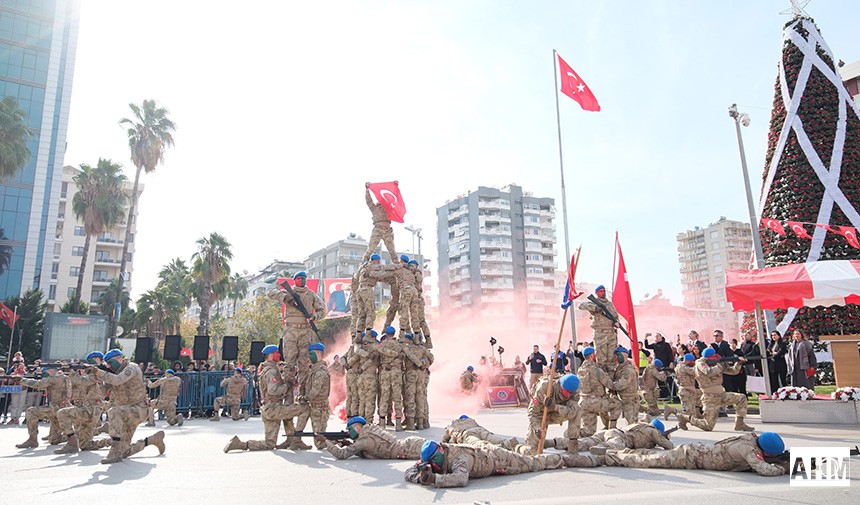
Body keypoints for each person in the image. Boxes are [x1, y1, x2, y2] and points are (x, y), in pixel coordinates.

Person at [223, 344, 311, 453]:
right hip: (274, 409)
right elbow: (273, 390)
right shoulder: (271, 371)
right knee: (305, 408)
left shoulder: (267, 370)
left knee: (269, 444)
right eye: (276, 353)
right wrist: (287, 385)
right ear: (270, 355)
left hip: (268, 409)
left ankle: (241, 444)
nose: (279, 354)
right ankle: (296, 439)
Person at [404, 439, 598, 488]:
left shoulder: (458, 458)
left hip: (500, 460)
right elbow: (409, 471)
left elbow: (461, 479)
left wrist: (435, 479)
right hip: (485, 451)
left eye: (432, 462)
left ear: (439, 454)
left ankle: (580, 459)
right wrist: (421, 477)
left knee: (537, 463)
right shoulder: (435, 455)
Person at [94, 349, 165, 464]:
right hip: (125, 411)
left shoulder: (131, 368)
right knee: (125, 451)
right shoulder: (114, 373)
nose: (109, 366)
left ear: (120, 359)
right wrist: (97, 378)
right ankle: (152, 440)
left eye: (111, 362)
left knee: (114, 411)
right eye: (107, 364)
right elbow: (103, 392)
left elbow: (117, 380)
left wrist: (100, 372)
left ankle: (114, 450)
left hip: (138, 409)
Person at [604, 432, 787, 476]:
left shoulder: (751, 440)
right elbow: (764, 469)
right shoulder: (748, 449)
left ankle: (618, 452)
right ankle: (611, 456)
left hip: (695, 452)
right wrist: (782, 468)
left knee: (649, 455)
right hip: (690, 456)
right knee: (648, 460)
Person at [267, 271, 325, 390]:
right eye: (298, 278)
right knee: (289, 362)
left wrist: (314, 317)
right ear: (294, 280)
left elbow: (322, 310)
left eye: (303, 278)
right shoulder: (289, 292)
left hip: (305, 331)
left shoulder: (311, 295)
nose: (301, 280)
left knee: (304, 363)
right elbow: (271, 293)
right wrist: (285, 297)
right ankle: (288, 394)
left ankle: (302, 393)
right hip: (291, 330)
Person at [678, 348, 753, 432]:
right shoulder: (700, 363)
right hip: (710, 397)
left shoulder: (717, 364)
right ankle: (685, 418)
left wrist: (738, 363)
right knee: (708, 426)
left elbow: (733, 372)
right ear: (710, 357)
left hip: (721, 394)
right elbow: (709, 372)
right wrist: (720, 365)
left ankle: (740, 423)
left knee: (741, 398)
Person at [317, 415, 425, 460]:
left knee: (438, 453)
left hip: (409, 449)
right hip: (409, 443)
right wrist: (348, 443)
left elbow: (341, 455)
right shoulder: (369, 429)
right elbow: (366, 450)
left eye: (350, 430)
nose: (348, 432)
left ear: (358, 429)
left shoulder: (364, 440)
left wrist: (325, 441)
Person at [15, 365, 71, 449]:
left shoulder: (55, 378)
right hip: (62, 409)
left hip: (56, 410)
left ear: (51, 370)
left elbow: (38, 384)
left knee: (31, 411)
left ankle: (32, 439)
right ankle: (69, 436)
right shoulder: (64, 377)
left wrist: (22, 380)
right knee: (54, 440)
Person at [525, 373, 581, 453]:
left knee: (578, 410)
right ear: (561, 385)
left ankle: (572, 447)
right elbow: (533, 412)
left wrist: (555, 407)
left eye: (570, 393)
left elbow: (572, 411)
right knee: (533, 451)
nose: (568, 395)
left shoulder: (574, 391)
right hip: (541, 415)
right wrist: (538, 429)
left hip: (558, 413)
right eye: (567, 392)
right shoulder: (545, 388)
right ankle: (515, 446)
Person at [578, 419, 673, 461]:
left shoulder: (642, 425)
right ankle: (601, 448)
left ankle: (567, 443)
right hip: (620, 437)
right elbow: (669, 446)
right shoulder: (653, 431)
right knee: (616, 446)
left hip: (613, 431)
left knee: (587, 441)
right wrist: (667, 438)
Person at [576, 346, 619, 436]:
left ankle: (574, 432)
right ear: (592, 355)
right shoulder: (596, 370)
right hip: (597, 402)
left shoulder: (580, 370)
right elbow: (609, 384)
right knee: (617, 404)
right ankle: (612, 430)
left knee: (589, 431)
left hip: (583, 403)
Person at [296, 343, 331, 449]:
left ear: (319, 354)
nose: (309, 357)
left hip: (320, 406)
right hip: (314, 405)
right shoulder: (314, 369)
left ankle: (334, 443)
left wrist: (304, 398)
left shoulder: (320, 371)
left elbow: (314, 391)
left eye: (311, 354)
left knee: (319, 438)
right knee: (317, 434)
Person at [578, 285, 620, 366]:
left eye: (604, 291)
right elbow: (581, 306)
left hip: (611, 333)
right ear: (596, 293)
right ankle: (602, 376)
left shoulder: (609, 304)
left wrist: (616, 322)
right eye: (601, 291)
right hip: (600, 334)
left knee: (611, 359)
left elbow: (615, 316)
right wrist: (595, 308)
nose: (603, 293)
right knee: (601, 359)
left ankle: (610, 377)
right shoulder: (594, 303)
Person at [442, 415, 521, 452]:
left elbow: (444, 440)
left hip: (467, 433)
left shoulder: (452, 425)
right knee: (496, 439)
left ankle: (498, 448)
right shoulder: (471, 420)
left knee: (480, 445)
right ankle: (510, 443)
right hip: (480, 430)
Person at [402, 332, 432, 430]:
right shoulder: (423, 349)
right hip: (421, 374)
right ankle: (421, 423)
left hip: (411, 373)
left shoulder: (407, 349)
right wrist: (424, 365)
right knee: (420, 397)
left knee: (410, 397)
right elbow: (431, 358)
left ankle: (410, 424)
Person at [362, 184, 398, 262]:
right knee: (371, 247)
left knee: (391, 249)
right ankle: (364, 261)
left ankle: (396, 262)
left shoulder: (389, 208)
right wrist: (367, 190)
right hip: (378, 229)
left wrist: (395, 187)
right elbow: (368, 201)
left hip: (387, 230)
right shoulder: (374, 208)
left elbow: (394, 197)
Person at [664, 353, 702, 419]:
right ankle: (672, 410)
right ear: (687, 361)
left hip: (688, 389)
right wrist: (700, 365)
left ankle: (697, 412)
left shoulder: (679, 366)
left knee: (701, 394)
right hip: (686, 391)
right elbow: (694, 372)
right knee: (690, 414)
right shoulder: (683, 367)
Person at [608, 346, 639, 427]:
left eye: (617, 355)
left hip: (630, 400)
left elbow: (621, 385)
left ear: (624, 356)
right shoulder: (620, 368)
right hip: (621, 398)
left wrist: (608, 383)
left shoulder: (628, 370)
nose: (615, 358)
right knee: (613, 419)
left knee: (632, 426)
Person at [354, 330, 380, 423]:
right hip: (370, 377)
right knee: (370, 401)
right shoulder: (375, 348)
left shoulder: (360, 348)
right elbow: (374, 361)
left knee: (362, 400)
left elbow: (354, 357)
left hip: (361, 377)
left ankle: (361, 421)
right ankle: (368, 422)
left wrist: (361, 367)